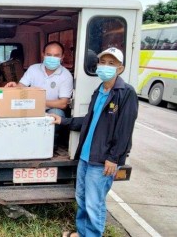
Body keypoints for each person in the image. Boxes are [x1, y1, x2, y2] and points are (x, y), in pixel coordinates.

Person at [49, 47, 138, 237]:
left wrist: (113, 158)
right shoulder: (99, 91)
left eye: (111, 64)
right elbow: (89, 120)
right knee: (81, 198)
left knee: (94, 202)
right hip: (86, 155)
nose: (105, 66)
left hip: (103, 159)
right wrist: (63, 121)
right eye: (103, 62)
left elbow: (124, 130)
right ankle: (82, 233)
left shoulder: (126, 93)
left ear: (120, 69)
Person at [5, 41, 73, 144]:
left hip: (50, 109)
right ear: (43, 54)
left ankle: (48, 144)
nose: (52, 58)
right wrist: (14, 87)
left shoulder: (66, 75)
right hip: (30, 106)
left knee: (57, 113)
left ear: (62, 57)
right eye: (49, 55)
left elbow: (63, 104)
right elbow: (21, 87)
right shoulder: (33, 69)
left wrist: (38, 101)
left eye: (56, 55)